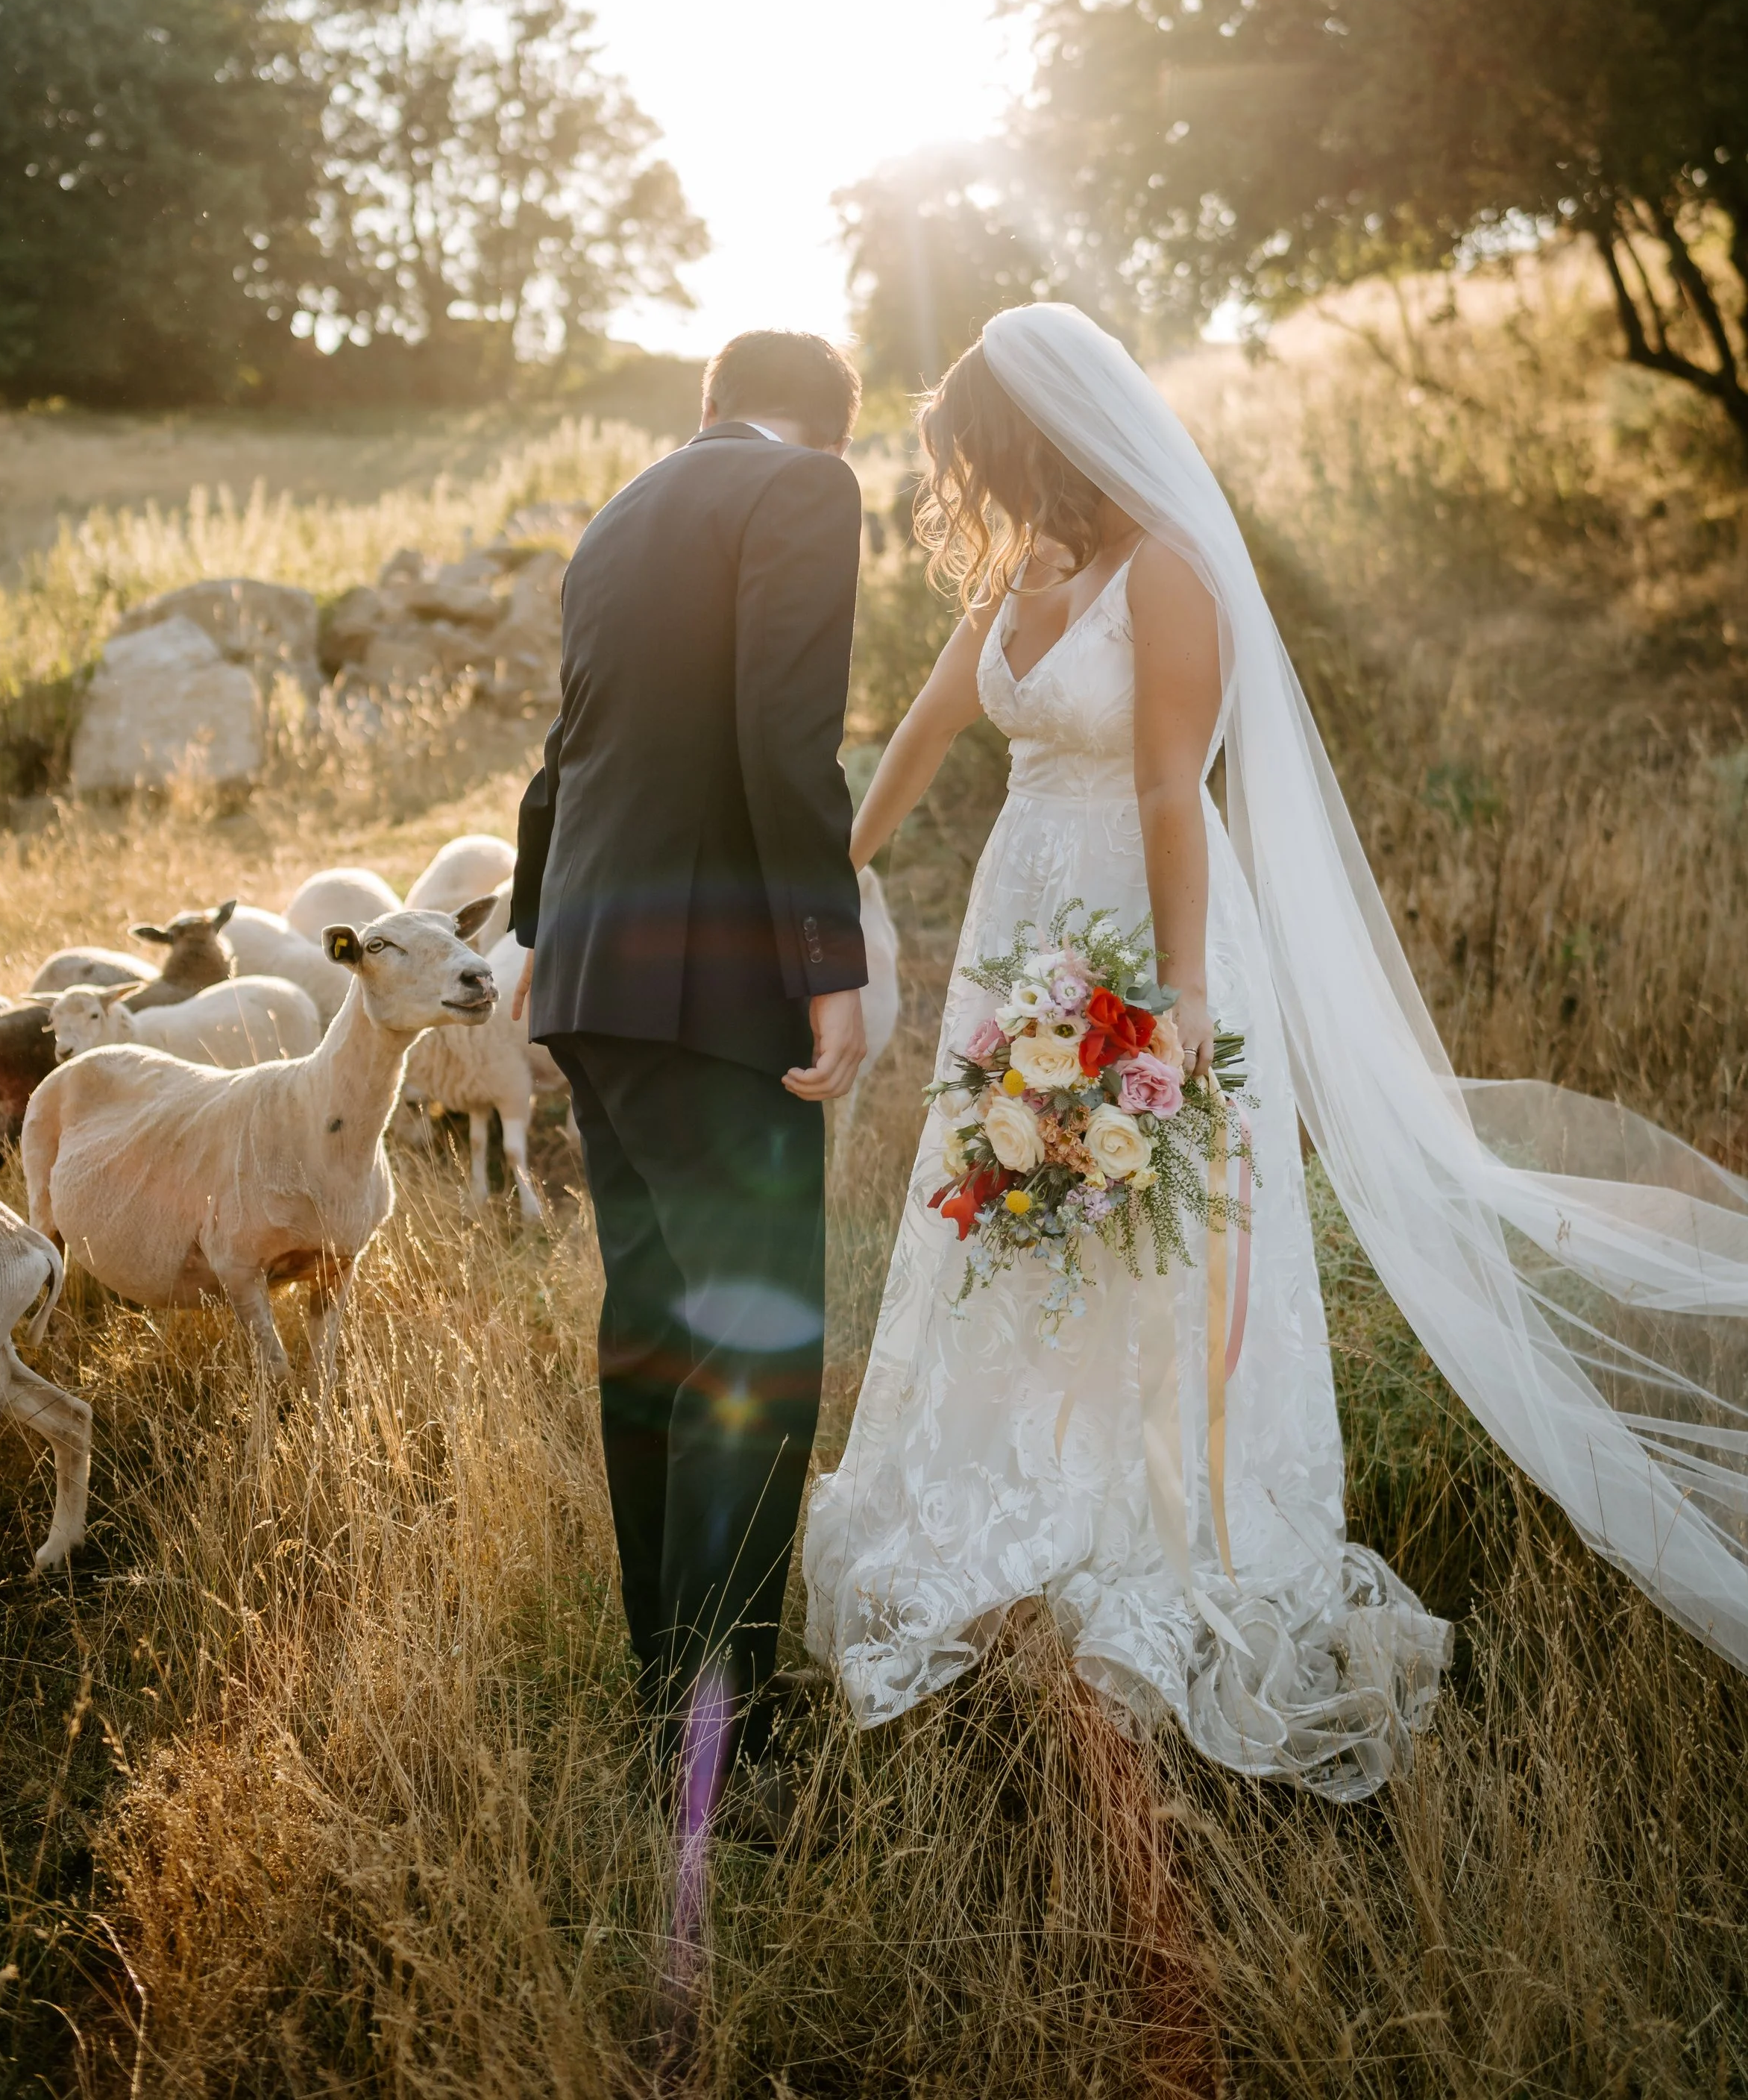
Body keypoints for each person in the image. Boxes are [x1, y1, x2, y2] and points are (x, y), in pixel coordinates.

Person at [803, 303, 1748, 1800]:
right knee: (1023, 1231)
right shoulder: (1018, 572)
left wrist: (1176, 996)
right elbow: (923, 733)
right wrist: (827, 879)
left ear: (1039, 439)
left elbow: (1168, 791)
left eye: (983, 455)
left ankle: (1159, 1528)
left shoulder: (1169, 570)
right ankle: (1019, 1501)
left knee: (1151, 1244)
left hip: (1144, 931)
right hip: (1019, 937)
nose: (973, 487)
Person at [509, 329, 869, 1815]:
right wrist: (829, 963)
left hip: (592, 976)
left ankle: (670, 1702)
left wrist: (534, 930)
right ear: (831, 427)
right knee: (757, 1360)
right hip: (711, 987)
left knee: (655, 1338)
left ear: (709, 405)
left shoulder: (621, 512)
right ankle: (729, 1744)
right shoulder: (807, 490)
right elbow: (786, 738)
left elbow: (566, 746)